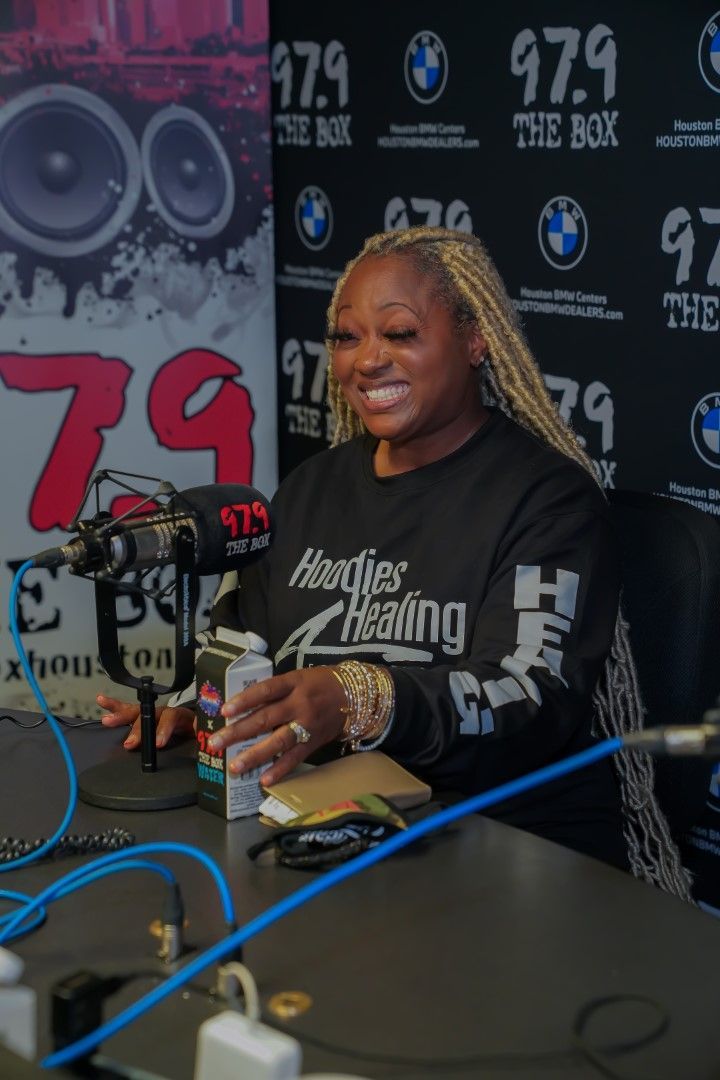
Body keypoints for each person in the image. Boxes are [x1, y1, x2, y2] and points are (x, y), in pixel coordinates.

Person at [98, 226, 691, 899]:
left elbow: (529, 699)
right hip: (328, 833)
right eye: (348, 337)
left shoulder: (546, 499)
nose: (367, 360)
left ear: (475, 340)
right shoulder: (306, 490)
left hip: (502, 849)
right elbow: (242, 644)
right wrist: (204, 710)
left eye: (400, 334)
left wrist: (361, 698)